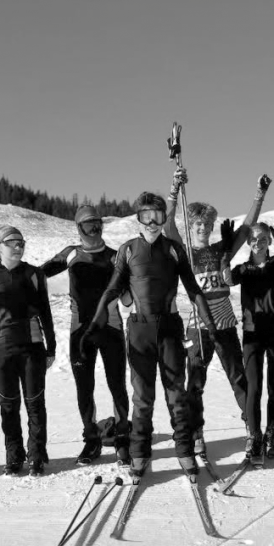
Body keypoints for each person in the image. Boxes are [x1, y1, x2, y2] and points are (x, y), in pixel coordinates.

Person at [84, 191, 217, 480]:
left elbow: (193, 289)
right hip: (139, 330)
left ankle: (184, 450)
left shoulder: (174, 250)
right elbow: (112, 289)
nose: (152, 223)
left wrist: (211, 323)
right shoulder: (128, 250)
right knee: (142, 398)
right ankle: (139, 452)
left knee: (176, 394)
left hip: (169, 328)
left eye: (157, 217)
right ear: (139, 219)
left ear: (163, 218)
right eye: (146, 217)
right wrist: (95, 324)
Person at [164, 170, 271, 457]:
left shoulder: (221, 250)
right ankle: (196, 432)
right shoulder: (184, 252)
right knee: (195, 383)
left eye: (207, 224)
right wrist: (174, 189)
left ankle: (252, 429)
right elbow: (168, 225)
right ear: (192, 225)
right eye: (198, 223)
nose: (203, 228)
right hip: (198, 326)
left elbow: (246, 229)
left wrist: (259, 196)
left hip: (224, 323)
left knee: (238, 379)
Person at [41, 205, 130, 466]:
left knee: (117, 386)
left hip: (111, 330)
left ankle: (122, 439)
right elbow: (34, 274)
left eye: (98, 224)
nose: (94, 230)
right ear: (78, 228)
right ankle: (92, 440)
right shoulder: (71, 254)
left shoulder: (115, 256)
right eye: (88, 225)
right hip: (80, 333)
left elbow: (128, 298)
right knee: (84, 388)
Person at [0, 226, 56, 476]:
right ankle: (14, 456)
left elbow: (46, 312)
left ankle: (36, 456)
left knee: (35, 403)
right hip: (0, 348)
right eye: (11, 242)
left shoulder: (34, 274)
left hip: (32, 347)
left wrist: (51, 347)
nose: (18, 246)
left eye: (21, 242)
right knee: (8, 405)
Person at [229, 218, 274, 462]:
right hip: (252, 333)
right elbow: (226, 279)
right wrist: (225, 249)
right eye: (253, 239)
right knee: (253, 387)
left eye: (263, 239)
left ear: (269, 241)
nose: (258, 243)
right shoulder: (243, 269)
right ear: (248, 242)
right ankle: (254, 435)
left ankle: (271, 432)